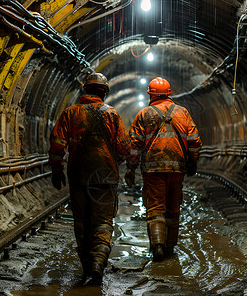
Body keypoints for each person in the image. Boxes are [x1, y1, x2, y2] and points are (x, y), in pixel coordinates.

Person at [48, 72, 131, 284]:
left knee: (82, 223)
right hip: (105, 176)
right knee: (103, 222)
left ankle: (86, 268)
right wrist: (115, 162)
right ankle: (97, 266)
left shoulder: (70, 112)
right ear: (104, 92)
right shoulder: (111, 114)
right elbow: (124, 146)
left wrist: (56, 170)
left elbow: (57, 144)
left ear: (85, 90)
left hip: (78, 175)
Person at [124, 77, 202, 262]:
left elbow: (134, 145)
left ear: (150, 95)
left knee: (156, 205)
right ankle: (170, 247)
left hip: (152, 168)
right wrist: (192, 162)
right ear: (169, 93)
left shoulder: (144, 114)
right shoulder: (182, 113)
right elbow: (195, 141)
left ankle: (157, 245)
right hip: (177, 167)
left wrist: (131, 167)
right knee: (173, 206)